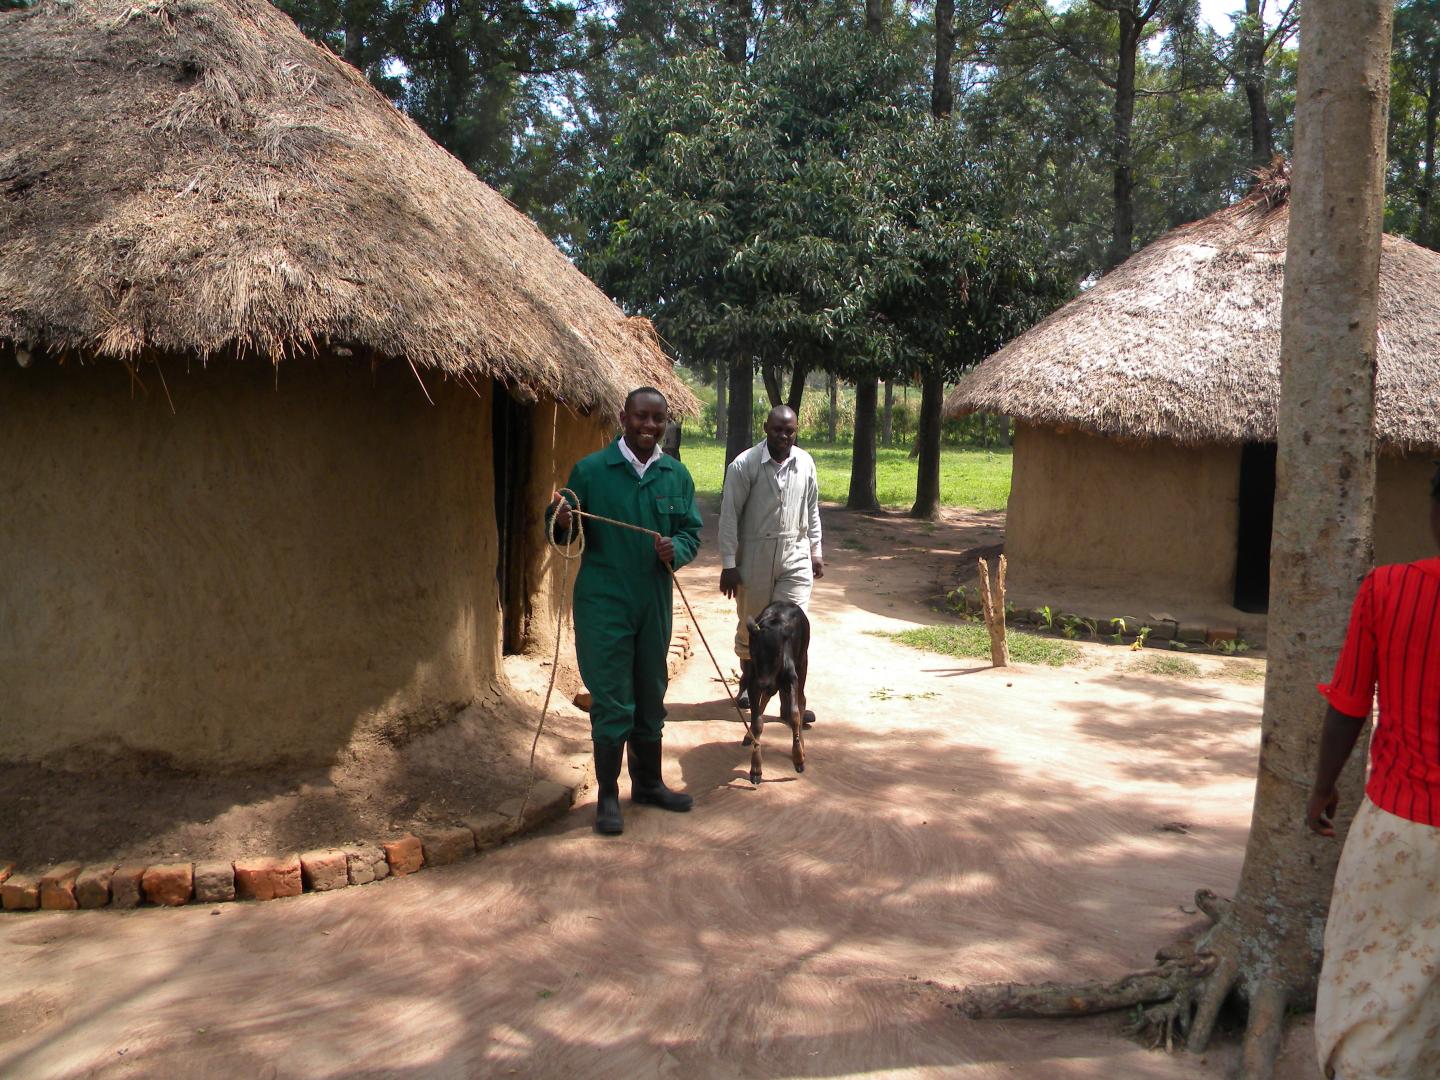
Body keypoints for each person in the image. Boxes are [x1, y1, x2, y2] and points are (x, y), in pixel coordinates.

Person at [1308, 468, 1440, 1079]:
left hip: (1398, 829)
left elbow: (1349, 704)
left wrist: (1322, 787)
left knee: (1371, 977)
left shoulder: (1388, 589)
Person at [548, 387, 703, 836]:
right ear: (623, 417)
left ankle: (649, 785)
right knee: (614, 699)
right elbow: (563, 528)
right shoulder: (592, 471)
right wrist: (561, 519)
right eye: (641, 417)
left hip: (653, 600)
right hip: (604, 602)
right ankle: (608, 797)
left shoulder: (676, 475)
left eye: (657, 419)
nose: (649, 426)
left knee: (650, 693)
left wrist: (678, 548)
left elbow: (691, 531)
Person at [717, 405, 823, 710]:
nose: (783, 436)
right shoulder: (744, 465)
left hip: (795, 552)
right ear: (765, 428)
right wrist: (729, 564)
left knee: (791, 626)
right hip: (755, 554)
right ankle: (749, 682)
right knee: (754, 626)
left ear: (796, 432)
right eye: (777, 429)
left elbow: (812, 509)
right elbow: (729, 516)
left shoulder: (805, 463)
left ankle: (792, 700)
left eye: (789, 431)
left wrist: (815, 551)